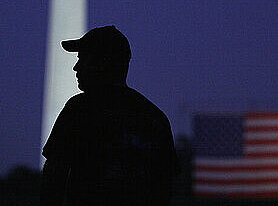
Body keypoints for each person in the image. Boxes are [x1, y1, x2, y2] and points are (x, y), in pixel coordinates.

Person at [41, 25, 179, 206]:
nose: (76, 67)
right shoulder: (155, 118)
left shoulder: (80, 109)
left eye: (83, 58)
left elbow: (54, 176)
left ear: (103, 62)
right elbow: (164, 188)